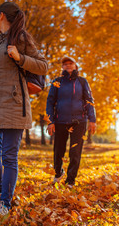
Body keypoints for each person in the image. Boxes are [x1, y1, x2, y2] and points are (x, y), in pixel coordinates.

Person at [0, 2, 48, 216]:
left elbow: (43, 66)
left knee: (9, 157)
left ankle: (5, 202)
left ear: (0, 16)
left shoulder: (21, 38)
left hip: (14, 106)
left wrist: (20, 57)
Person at [46, 56, 96, 187]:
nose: (68, 65)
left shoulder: (82, 81)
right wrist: (50, 121)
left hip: (79, 121)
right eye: (65, 64)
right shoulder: (57, 82)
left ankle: (70, 180)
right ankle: (58, 172)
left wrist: (92, 119)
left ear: (75, 66)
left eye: (70, 63)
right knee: (58, 151)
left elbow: (89, 100)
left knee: (75, 152)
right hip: (60, 121)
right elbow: (50, 102)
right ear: (62, 67)